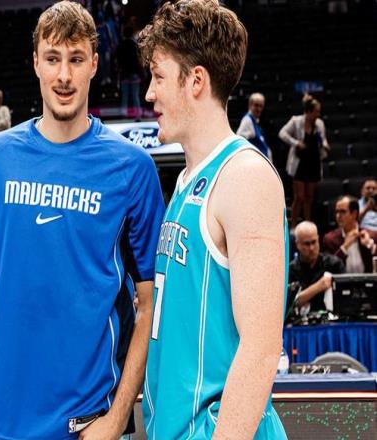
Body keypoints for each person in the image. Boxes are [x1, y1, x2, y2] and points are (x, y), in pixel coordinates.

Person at [0, 2, 164, 440]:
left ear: (94, 64)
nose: (64, 76)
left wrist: (117, 419)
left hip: (87, 423)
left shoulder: (132, 168)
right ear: (36, 63)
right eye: (53, 59)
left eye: (76, 59)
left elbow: (151, 304)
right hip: (0, 424)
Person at [138, 1, 287, 438]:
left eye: (158, 77)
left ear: (196, 81)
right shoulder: (187, 181)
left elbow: (261, 349)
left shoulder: (245, 176)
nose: (149, 94)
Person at [279, 94, 330, 227]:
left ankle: (307, 224)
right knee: (299, 197)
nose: (318, 114)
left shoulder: (319, 123)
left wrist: (325, 145)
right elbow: (282, 133)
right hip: (300, 163)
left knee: (309, 198)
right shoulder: (296, 121)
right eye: (316, 112)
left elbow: (323, 138)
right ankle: (293, 225)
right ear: (308, 111)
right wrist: (296, 143)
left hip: (314, 162)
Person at [289, 221, 345, 312]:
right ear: (297, 244)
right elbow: (291, 304)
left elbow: (346, 295)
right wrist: (319, 286)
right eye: (307, 244)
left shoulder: (334, 264)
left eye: (314, 242)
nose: (311, 248)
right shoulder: (291, 270)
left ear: (318, 240)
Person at [323, 195, 377, 273]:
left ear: (354, 214)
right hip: (341, 281)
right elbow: (329, 268)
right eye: (337, 212)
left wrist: (370, 245)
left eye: (343, 212)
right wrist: (344, 248)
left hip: (367, 280)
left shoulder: (372, 235)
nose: (338, 216)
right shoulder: (330, 239)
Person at [117, 26, 143, 119]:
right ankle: (138, 115)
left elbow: (118, 60)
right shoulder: (135, 45)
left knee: (125, 96)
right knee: (135, 96)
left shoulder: (121, 45)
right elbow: (138, 60)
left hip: (124, 74)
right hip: (134, 74)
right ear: (132, 33)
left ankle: (124, 115)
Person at [236, 92, 271, 158]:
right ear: (250, 105)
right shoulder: (247, 120)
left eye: (261, 106)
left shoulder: (255, 121)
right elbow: (239, 138)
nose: (259, 109)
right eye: (256, 105)